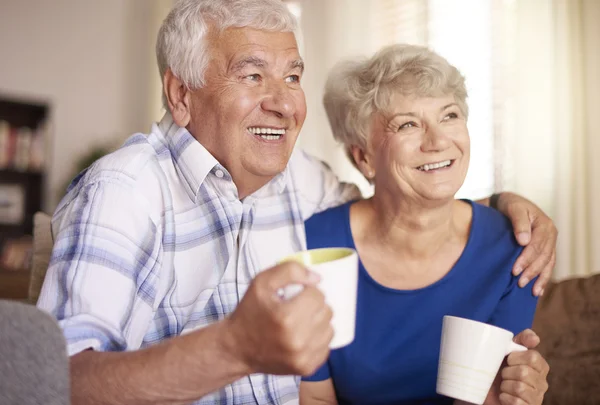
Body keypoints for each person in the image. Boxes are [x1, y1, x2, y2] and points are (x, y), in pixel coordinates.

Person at [36, 1, 555, 404]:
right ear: (180, 95)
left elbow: (400, 203)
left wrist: (505, 204)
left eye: (292, 76)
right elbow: (56, 385)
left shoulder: (295, 178)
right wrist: (230, 347)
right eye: (252, 74)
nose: (284, 102)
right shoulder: (124, 194)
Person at [299, 44, 549, 405]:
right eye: (408, 124)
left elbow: (481, 396)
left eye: (449, 115)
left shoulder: (512, 249)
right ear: (364, 157)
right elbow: (316, 399)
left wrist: (505, 399)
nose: (438, 141)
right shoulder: (317, 247)